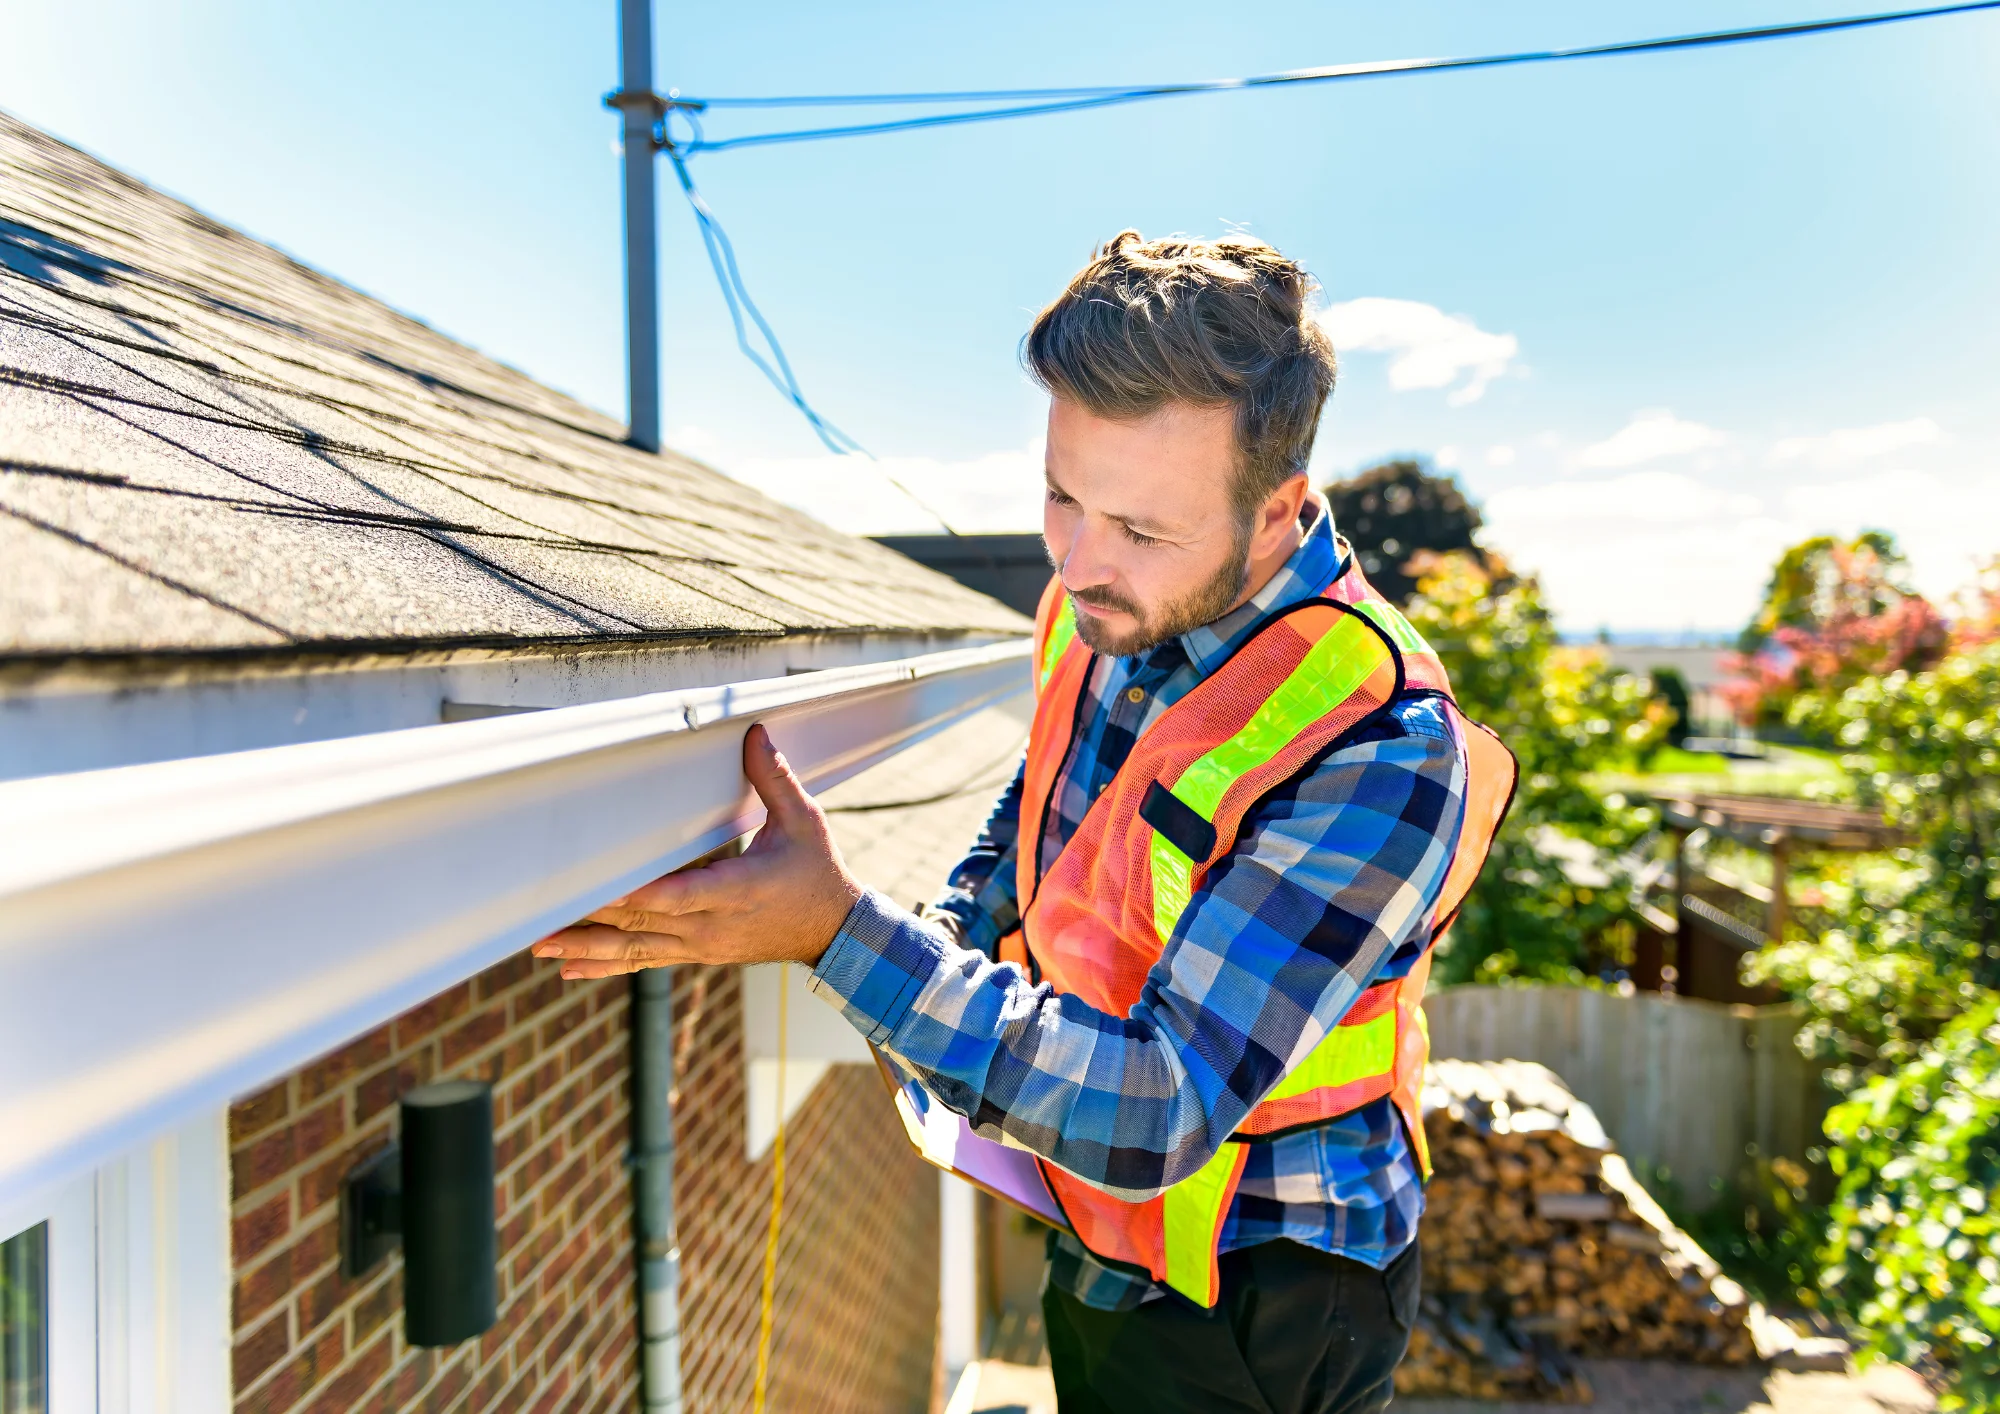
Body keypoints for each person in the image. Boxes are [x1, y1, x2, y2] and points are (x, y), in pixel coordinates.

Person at [534, 231, 1514, 1414]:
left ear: (1277, 514)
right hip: (1099, 1222)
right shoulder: (1099, 601)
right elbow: (1048, 794)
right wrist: (951, 921)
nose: (1081, 560)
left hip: (1262, 1282)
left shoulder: (1380, 748)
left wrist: (834, 933)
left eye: (1142, 529)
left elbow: (1156, 1108)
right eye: (1061, 495)